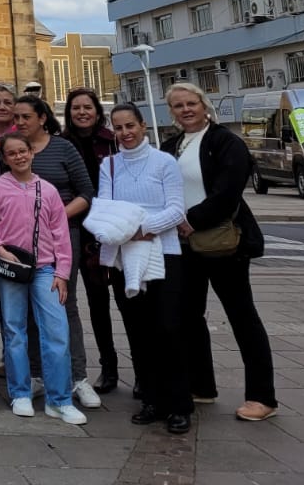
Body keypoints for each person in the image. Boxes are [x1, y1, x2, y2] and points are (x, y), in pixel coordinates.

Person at [161, 82, 278, 423]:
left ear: (204, 105)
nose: (186, 110)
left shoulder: (226, 142)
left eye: (191, 103)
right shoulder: (171, 146)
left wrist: (192, 220)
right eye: (178, 105)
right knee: (189, 317)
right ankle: (201, 386)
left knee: (242, 316)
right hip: (185, 246)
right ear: (172, 112)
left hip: (224, 242)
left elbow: (228, 191)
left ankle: (262, 397)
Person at [99, 102, 192, 434]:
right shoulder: (109, 165)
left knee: (168, 328)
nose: (125, 133)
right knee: (138, 331)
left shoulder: (164, 162)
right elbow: (106, 209)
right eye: (118, 128)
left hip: (164, 254)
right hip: (125, 257)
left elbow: (176, 210)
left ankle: (179, 404)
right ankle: (152, 400)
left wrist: (142, 228)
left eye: (130, 126)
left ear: (143, 126)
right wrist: (126, 232)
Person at [0, 134, 85, 425]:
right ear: (5, 158)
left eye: (22, 151)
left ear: (31, 153)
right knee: (14, 330)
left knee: (56, 331)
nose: (19, 157)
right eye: (12, 153)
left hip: (45, 269)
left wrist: (62, 272)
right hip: (12, 266)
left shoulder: (48, 190)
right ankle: (20, 392)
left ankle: (59, 399)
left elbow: (61, 233)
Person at [9, 94, 99, 409]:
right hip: (22, 240)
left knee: (64, 303)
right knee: (28, 306)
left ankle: (78, 377)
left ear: (42, 118)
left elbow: (87, 192)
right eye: (16, 118)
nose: (19, 122)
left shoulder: (63, 148)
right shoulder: (15, 150)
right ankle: (36, 374)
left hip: (62, 235)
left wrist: (56, 216)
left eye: (25, 117)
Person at [62, 87, 121, 394]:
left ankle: (137, 370)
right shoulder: (62, 143)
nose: (82, 112)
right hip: (77, 230)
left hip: (111, 229)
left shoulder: (112, 142)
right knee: (93, 303)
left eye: (87, 107)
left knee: (122, 301)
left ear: (98, 112)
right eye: (76, 108)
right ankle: (106, 367)